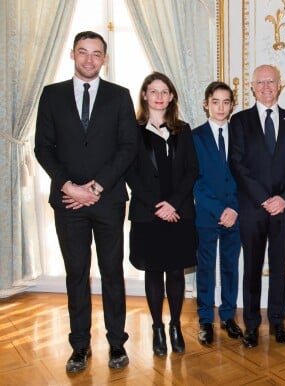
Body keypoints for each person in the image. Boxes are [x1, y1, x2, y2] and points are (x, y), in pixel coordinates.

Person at [35, 31, 138, 372]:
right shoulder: (51, 95)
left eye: (97, 54)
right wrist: (69, 187)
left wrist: (93, 190)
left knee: (112, 274)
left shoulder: (120, 96)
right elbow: (42, 148)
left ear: (104, 59)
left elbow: (128, 148)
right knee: (76, 274)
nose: (90, 59)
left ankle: (116, 344)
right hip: (67, 203)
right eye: (83, 52)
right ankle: (79, 347)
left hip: (108, 202)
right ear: (72, 54)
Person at [229, 64, 285, 348]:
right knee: (251, 267)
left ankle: (278, 322)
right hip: (252, 208)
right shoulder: (239, 121)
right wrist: (265, 198)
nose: (265, 87)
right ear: (252, 87)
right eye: (260, 83)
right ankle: (251, 325)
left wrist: (284, 198)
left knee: (278, 267)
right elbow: (237, 164)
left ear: (279, 85)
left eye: (270, 82)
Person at [126, 72, 198, 356]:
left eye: (164, 91)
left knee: (176, 271)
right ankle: (157, 327)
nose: (158, 96)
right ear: (144, 95)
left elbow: (192, 170)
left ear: (171, 97)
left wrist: (174, 204)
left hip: (180, 213)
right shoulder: (131, 130)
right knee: (154, 271)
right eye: (153, 90)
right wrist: (159, 205)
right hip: (148, 213)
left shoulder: (183, 129)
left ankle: (176, 326)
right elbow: (130, 172)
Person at [192, 81, 243, 345]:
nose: (220, 107)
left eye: (226, 102)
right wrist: (218, 208)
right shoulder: (194, 137)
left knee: (230, 267)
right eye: (215, 102)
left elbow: (246, 176)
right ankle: (204, 319)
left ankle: (227, 316)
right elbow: (194, 181)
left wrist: (234, 208)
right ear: (206, 104)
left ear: (232, 105)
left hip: (235, 214)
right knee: (206, 267)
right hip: (207, 215)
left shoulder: (241, 134)